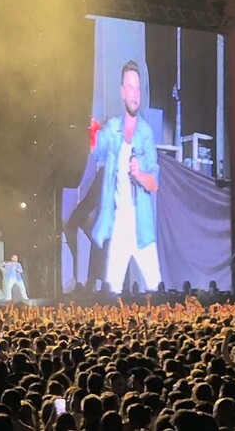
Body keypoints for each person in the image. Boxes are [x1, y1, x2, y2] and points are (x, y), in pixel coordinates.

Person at [90, 60, 162, 294]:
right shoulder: (112, 129)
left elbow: (154, 183)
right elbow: (95, 150)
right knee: (112, 293)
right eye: (130, 87)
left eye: (138, 88)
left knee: (157, 291)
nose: (135, 94)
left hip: (142, 227)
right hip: (119, 225)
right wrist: (93, 127)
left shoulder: (146, 133)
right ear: (122, 91)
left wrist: (139, 174)